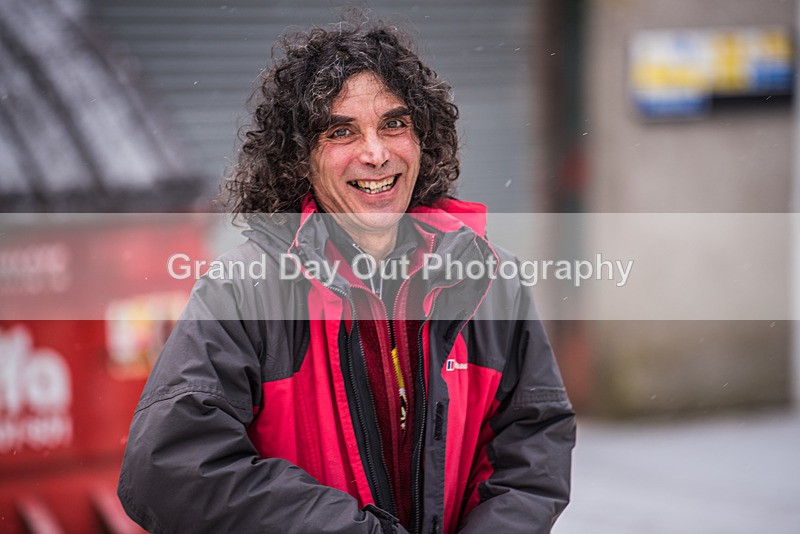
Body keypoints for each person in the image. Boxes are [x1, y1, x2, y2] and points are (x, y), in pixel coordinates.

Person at [118, 17, 575, 534]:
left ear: (423, 139)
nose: (376, 154)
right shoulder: (244, 291)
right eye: (341, 131)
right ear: (300, 159)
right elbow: (167, 470)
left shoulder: (493, 280)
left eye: (394, 124)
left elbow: (533, 441)